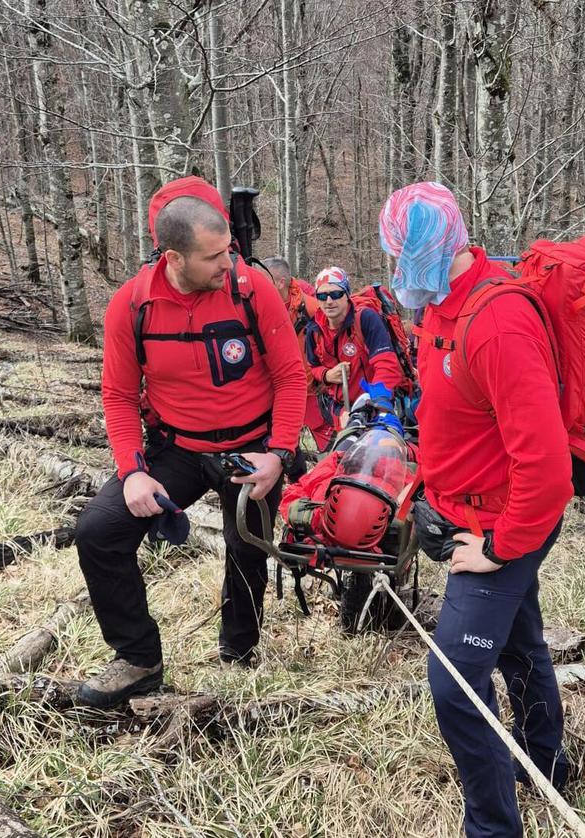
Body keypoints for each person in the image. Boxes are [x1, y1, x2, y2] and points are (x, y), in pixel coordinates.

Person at [380, 182, 573, 837]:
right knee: (519, 642)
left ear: (431, 247)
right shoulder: (443, 307)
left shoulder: (495, 321)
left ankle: (492, 828)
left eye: (401, 254)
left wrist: (496, 547)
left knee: (453, 683)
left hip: (504, 522)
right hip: (473, 510)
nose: (397, 269)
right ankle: (545, 762)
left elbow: (547, 472)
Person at [72, 176, 307, 708]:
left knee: (246, 549)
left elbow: (292, 376)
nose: (230, 264)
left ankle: (239, 652)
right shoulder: (132, 306)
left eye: (230, 250)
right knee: (99, 531)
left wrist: (278, 454)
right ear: (173, 257)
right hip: (175, 447)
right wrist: (133, 471)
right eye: (215, 258)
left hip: (251, 445)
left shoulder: (253, 289)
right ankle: (137, 659)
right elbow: (117, 395)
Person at [303, 267, 404, 445]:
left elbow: (388, 366)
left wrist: (369, 404)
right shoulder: (314, 330)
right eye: (322, 296)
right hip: (341, 411)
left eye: (336, 294)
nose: (328, 301)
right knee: (346, 461)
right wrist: (327, 375)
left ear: (347, 294)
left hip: (375, 406)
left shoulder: (365, 319)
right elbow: (313, 368)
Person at [264, 256, 326, 453]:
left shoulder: (312, 309)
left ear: (280, 282)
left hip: (314, 391)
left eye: (266, 279)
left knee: (329, 450)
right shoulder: (259, 307)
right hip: (278, 393)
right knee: (282, 451)